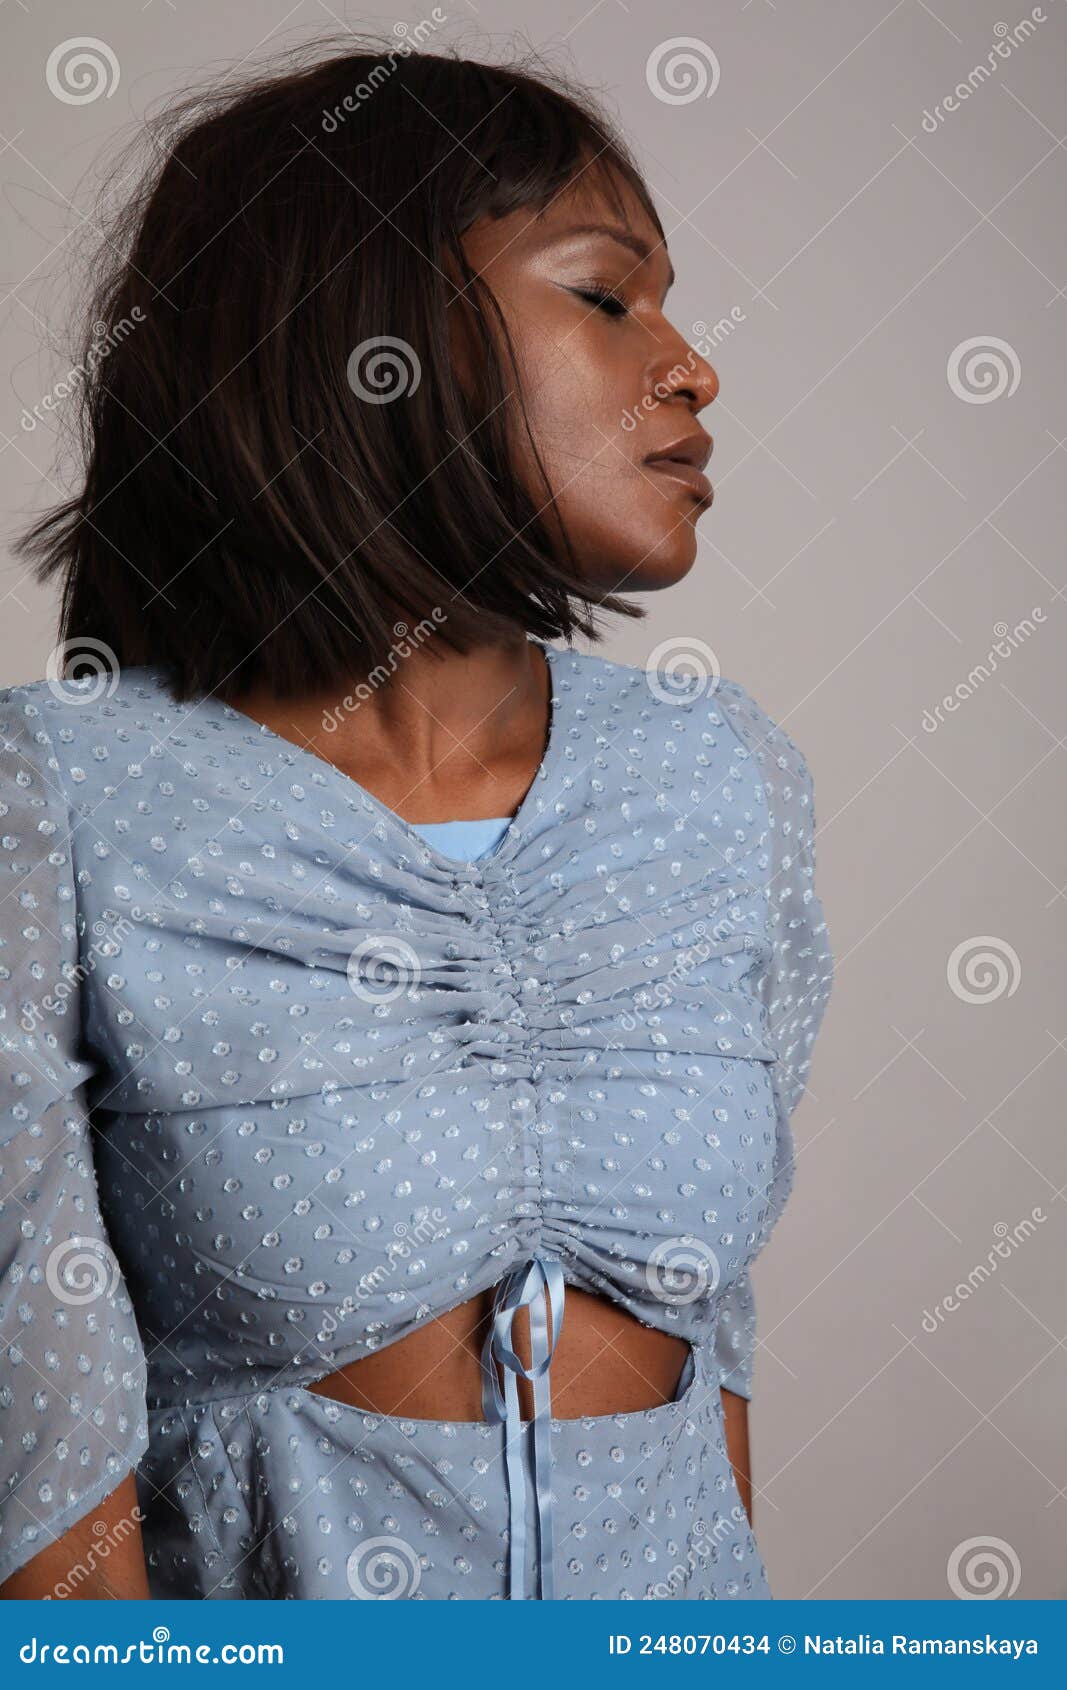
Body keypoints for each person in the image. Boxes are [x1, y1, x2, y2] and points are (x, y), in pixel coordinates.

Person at [0, 42, 833, 1600]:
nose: (692, 367)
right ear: (369, 335)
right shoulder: (59, 805)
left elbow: (714, 1362)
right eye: (608, 295)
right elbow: (43, 1487)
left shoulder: (724, 779)